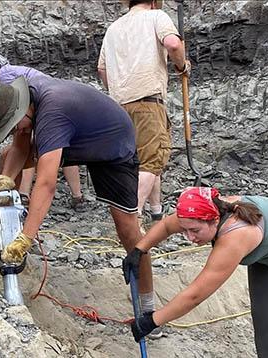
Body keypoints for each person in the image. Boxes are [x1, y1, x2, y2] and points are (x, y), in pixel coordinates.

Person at [0, 75, 159, 323]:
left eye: (14, 124)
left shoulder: (52, 114)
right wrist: (4, 179)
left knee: (127, 230)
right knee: (17, 147)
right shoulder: (26, 101)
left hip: (112, 145)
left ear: (22, 110)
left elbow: (46, 184)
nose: (16, 131)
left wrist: (26, 239)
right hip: (78, 135)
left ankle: (148, 310)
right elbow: (20, 146)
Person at [123, 186, 268, 357]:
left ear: (215, 221)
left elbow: (195, 295)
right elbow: (166, 226)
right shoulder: (203, 211)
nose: (190, 238)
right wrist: (139, 250)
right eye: (185, 230)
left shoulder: (236, 235)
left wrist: (153, 320)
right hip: (265, 257)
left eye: (194, 231)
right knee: (265, 328)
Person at [97, 0, 190, 231]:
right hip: (148, 101)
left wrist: (118, 90)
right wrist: (181, 66)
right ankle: (132, 220)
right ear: (153, 1)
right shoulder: (156, 16)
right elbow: (173, 44)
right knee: (152, 159)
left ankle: (156, 212)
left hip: (118, 108)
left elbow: (102, 69)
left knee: (140, 161)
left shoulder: (114, 28)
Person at [0, 51, 85, 211]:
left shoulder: (5, 81)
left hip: (50, 109)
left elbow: (22, 137)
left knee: (23, 148)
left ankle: (20, 197)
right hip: (60, 107)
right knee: (57, 150)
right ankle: (77, 197)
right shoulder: (16, 72)